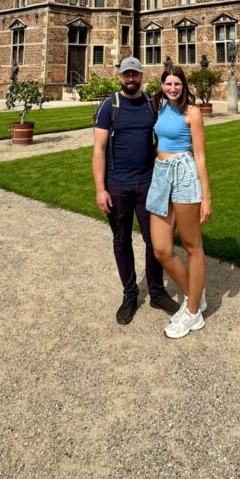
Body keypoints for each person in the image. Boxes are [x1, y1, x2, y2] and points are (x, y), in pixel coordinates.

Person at [93, 58, 179, 324]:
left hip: (147, 184)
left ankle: (156, 291)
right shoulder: (109, 106)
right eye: (126, 75)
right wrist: (100, 189)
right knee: (122, 241)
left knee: (154, 240)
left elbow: (165, 135)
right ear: (120, 77)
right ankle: (130, 293)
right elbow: (98, 150)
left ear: (142, 76)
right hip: (117, 185)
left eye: (135, 74)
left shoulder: (151, 105)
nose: (131, 79)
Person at [146, 66, 212, 340]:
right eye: (168, 83)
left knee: (191, 246)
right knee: (161, 248)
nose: (173, 88)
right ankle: (194, 294)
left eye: (177, 83)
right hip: (161, 175)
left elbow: (200, 156)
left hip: (185, 175)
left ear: (184, 85)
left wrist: (206, 196)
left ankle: (193, 311)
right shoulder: (159, 105)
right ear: (162, 85)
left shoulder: (193, 112)